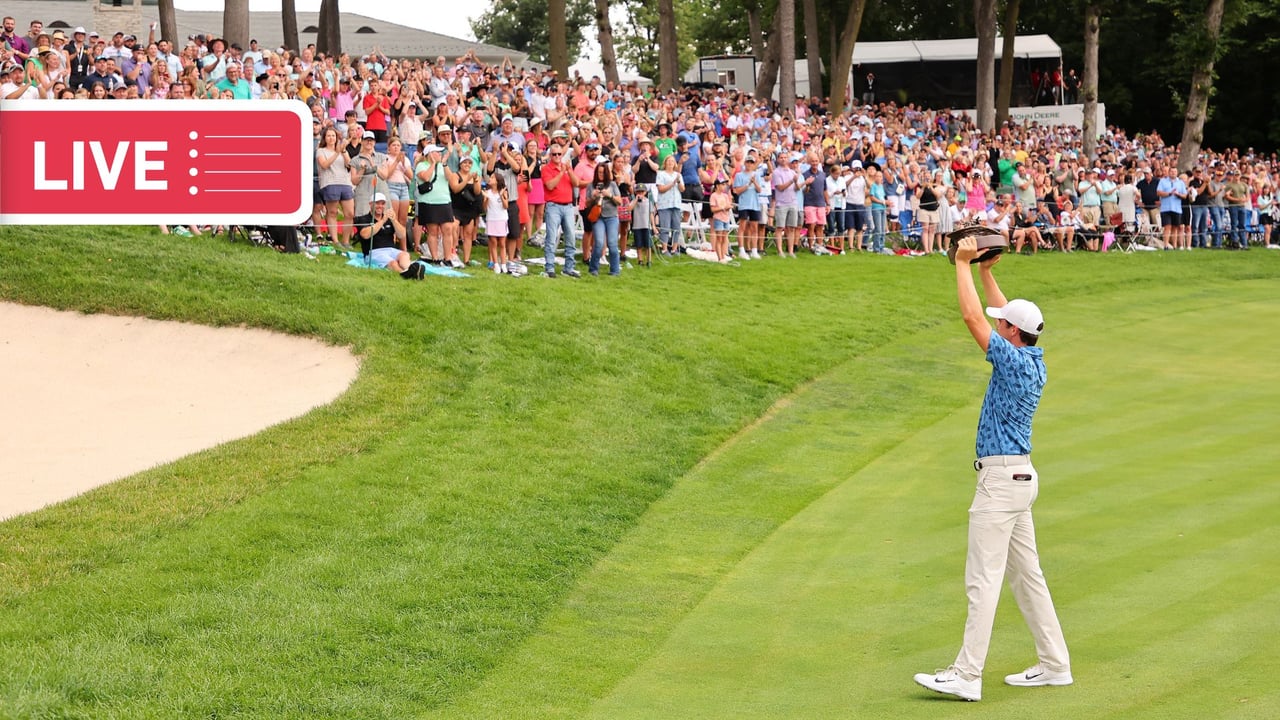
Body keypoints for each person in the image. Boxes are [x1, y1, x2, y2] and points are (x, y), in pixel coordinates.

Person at [914, 237, 1072, 703]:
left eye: (1005, 324)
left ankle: (966, 675)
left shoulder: (1010, 358)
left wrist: (961, 264)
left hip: (1000, 483)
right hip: (1020, 480)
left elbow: (973, 318)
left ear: (1011, 334)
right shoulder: (1033, 356)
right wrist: (986, 272)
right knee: (1029, 577)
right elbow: (1002, 314)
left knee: (983, 579)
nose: (999, 323)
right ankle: (1054, 664)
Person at [356, 193, 417, 277]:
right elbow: (365, 235)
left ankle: (411, 270)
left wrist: (394, 220)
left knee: (404, 255)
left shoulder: (389, 219)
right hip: (374, 252)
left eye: (382, 203)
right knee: (393, 263)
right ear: (370, 204)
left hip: (391, 250)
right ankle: (405, 275)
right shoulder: (363, 219)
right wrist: (382, 221)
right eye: (377, 203)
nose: (380, 206)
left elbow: (402, 235)